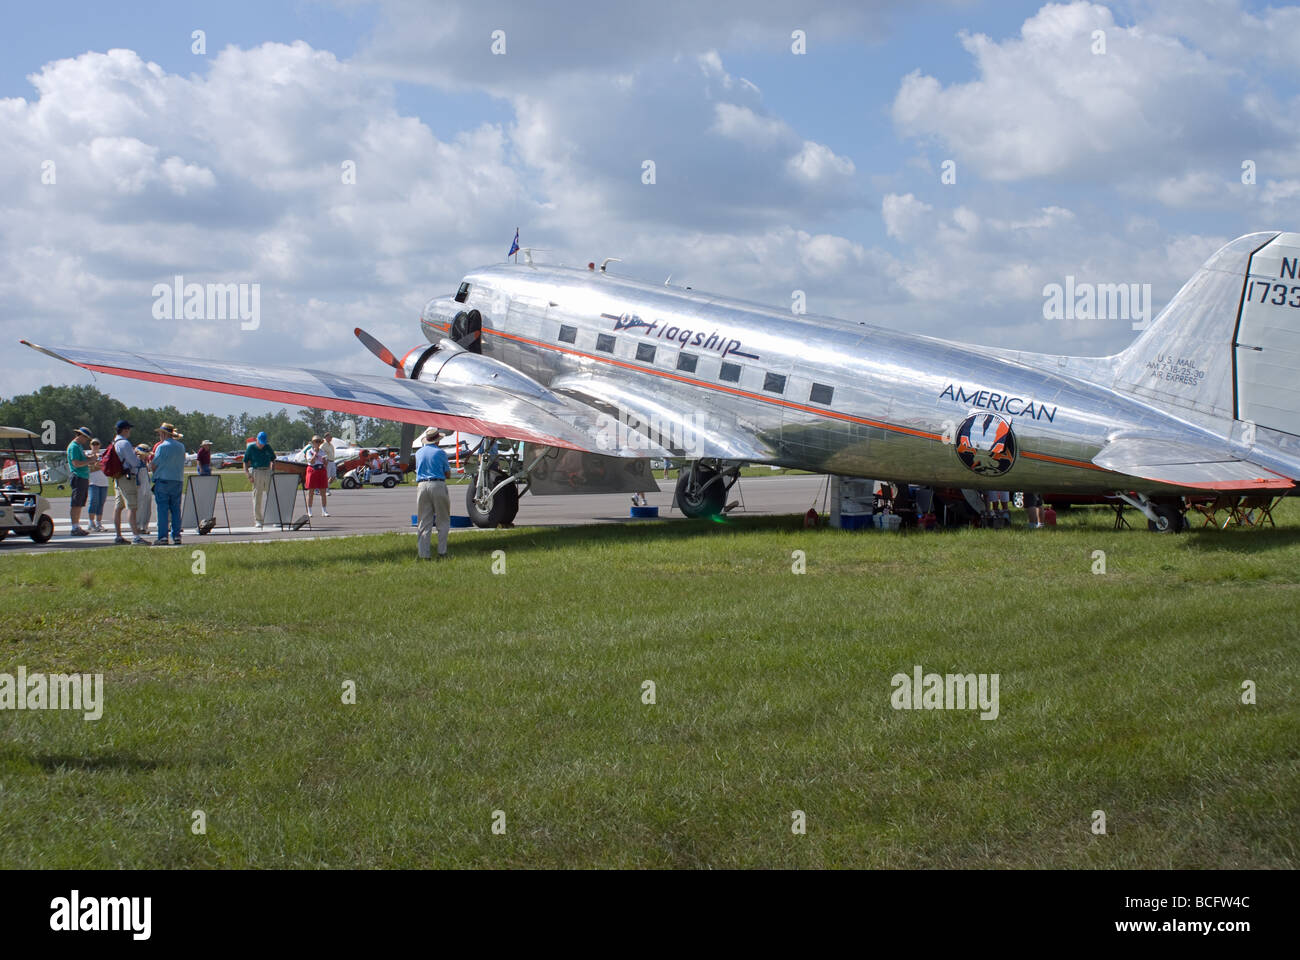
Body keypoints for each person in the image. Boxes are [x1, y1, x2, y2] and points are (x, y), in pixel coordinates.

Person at [414, 427, 451, 560]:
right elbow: (447, 473)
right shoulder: (440, 453)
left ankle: (423, 554)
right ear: (437, 440)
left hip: (422, 485)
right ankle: (442, 552)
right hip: (437, 484)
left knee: (424, 521)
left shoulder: (418, 453)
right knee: (443, 520)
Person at [111, 420, 148, 545]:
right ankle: (136, 537)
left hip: (117, 477)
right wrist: (139, 458)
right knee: (132, 507)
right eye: (129, 429)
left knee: (118, 507)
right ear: (125, 430)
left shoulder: (114, 442)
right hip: (126, 477)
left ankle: (118, 535)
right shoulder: (124, 443)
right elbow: (133, 462)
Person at [150, 422, 186, 545]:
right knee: (176, 509)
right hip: (177, 480)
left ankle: (163, 536)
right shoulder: (181, 446)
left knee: (163, 510)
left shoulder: (161, 446)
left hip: (163, 480)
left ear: (164, 433)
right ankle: (177, 536)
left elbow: (154, 464)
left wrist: (152, 468)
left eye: (160, 433)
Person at [65, 425, 93, 536]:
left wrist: (90, 458)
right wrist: (89, 462)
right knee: (76, 503)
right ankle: (74, 527)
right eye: (85, 438)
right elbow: (76, 463)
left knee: (80, 503)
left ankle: (77, 525)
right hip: (78, 476)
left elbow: (82, 460)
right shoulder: (74, 447)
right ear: (80, 436)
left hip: (83, 477)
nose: (86, 440)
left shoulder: (79, 447)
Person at [245, 431, 276, 529]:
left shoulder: (268, 447)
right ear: (257, 440)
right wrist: (248, 474)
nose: (262, 445)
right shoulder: (251, 448)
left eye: (264, 443)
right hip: (256, 471)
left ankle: (274, 519)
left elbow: (273, 459)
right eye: (260, 442)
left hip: (267, 471)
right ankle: (258, 520)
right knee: (257, 496)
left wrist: (272, 470)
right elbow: (245, 461)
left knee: (271, 496)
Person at [303, 435, 330, 517]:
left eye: (319, 442)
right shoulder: (309, 452)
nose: (317, 443)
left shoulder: (322, 452)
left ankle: (324, 510)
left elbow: (326, 464)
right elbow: (311, 462)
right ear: (313, 443)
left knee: (323, 491)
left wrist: (325, 461)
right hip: (312, 470)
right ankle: (309, 511)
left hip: (321, 470)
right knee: (311, 491)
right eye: (316, 442)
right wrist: (315, 455)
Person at [87, 438, 109, 531]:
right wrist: (97, 465)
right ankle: (91, 522)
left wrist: (96, 465)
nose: (95, 446)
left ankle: (99, 523)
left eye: (97, 444)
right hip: (93, 482)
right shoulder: (87, 454)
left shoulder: (103, 454)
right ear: (90, 445)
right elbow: (89, 467)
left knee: (101, 503)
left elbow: (105, 465)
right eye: (93, 444)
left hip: (104, 482)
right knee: (93, 501)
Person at [134, 442, 154, 537]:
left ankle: (144, 526)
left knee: (147, 508)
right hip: (140, 487)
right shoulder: (137, 462)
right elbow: (136, 475)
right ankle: (138, 526)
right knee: (139, 507)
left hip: (146, 487)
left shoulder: (144, 463)